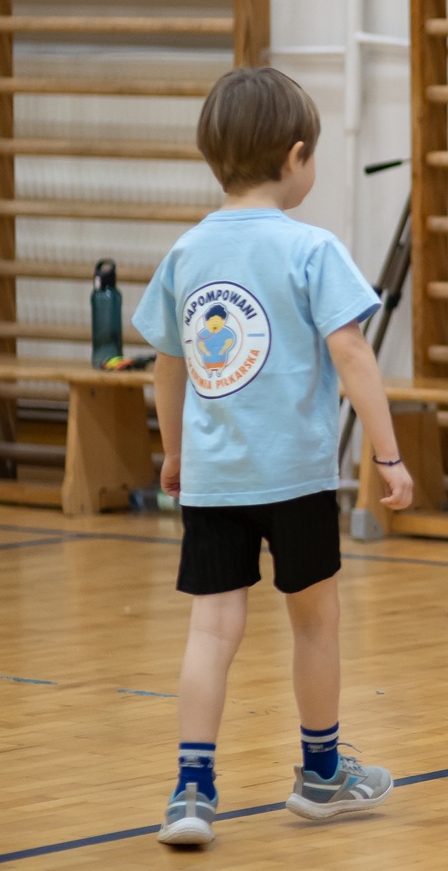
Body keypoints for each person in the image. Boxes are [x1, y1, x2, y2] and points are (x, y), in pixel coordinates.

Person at [133, 66, 415, 846]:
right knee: (315, 622)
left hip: (214, 481)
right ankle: (321, 774)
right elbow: (353, 354)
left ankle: (192, 792)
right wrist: (388, 456)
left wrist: (174, 453)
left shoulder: (187, 252)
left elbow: (167, 364)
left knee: (211, 630)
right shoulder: (312, 248)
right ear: (296, 157)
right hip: (295, 478)